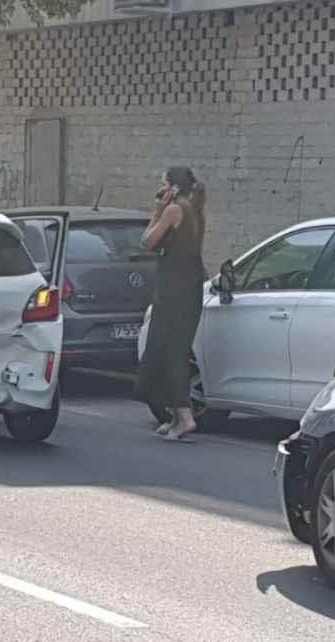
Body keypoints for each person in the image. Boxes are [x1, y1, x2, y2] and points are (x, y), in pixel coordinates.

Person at [135, 167, 207, 442]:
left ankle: (184, 416)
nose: (159, 187)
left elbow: (147, 241)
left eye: (163, 183)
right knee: (170, 348)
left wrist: (157, 209)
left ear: (174, 188)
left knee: (172, 351)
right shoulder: (194, 209)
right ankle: (176, 415)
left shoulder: (174, 210)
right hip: (186, 288)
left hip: (175, 289)